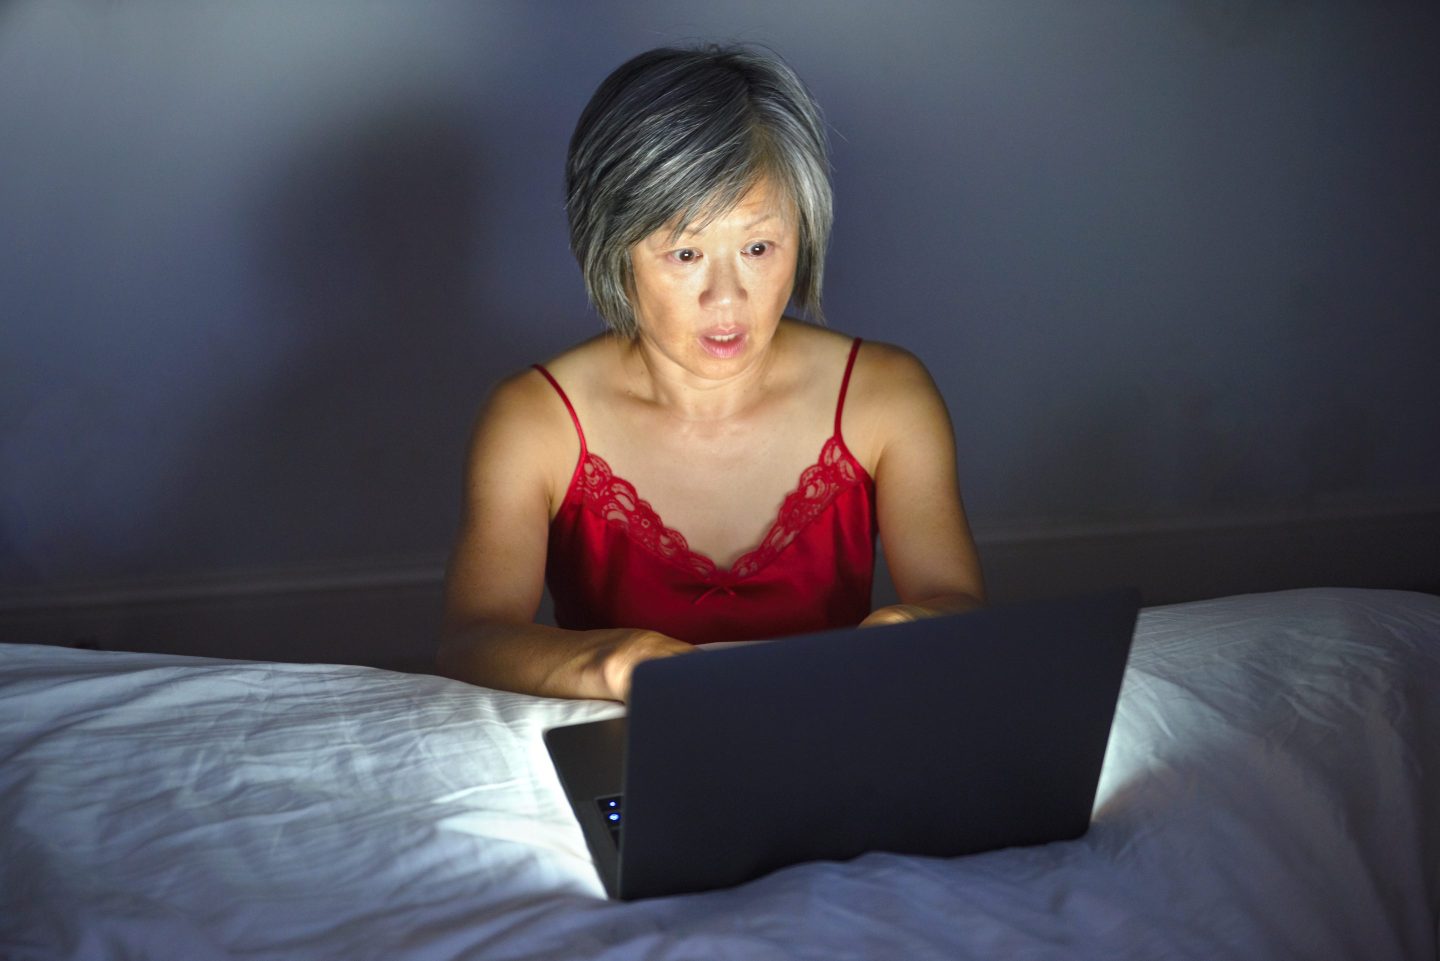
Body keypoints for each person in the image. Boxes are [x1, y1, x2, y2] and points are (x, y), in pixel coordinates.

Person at [438, 45, 984, 701]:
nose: (725, 297)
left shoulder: (888, 397)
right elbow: (473, 640)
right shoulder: (535, 419)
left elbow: (955, 604)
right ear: (614, 248)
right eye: (685, 251)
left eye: (758, 247)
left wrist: (903, 628)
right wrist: (618, 664)